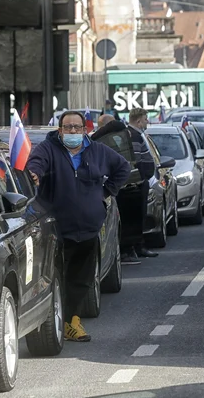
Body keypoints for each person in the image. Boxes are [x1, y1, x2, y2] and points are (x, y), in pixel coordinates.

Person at [27, 111, 130, 342]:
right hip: (56, 231)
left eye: (77, 127)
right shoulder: (48, 149)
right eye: (67, 127)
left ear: (85, 130)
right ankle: (51, 324)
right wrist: (35, 173)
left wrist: (105, 192)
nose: (72, 131)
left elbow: (122, 167)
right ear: (60, 130)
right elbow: (36, 163)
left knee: (81, 280)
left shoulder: (98, 151)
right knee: (55, 278)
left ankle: (71, 321)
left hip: (88, 229)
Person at [117, 108, 158, 263]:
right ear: (139, 121)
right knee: (135, 216)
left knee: (139, 215)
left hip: (141, 182)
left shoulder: (136, 135)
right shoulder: (131, 136)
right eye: (146, 119)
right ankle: (133, 248)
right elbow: (135, 161)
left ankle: (138, 246)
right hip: (136, 183)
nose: (147, 121)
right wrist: (141, 176)